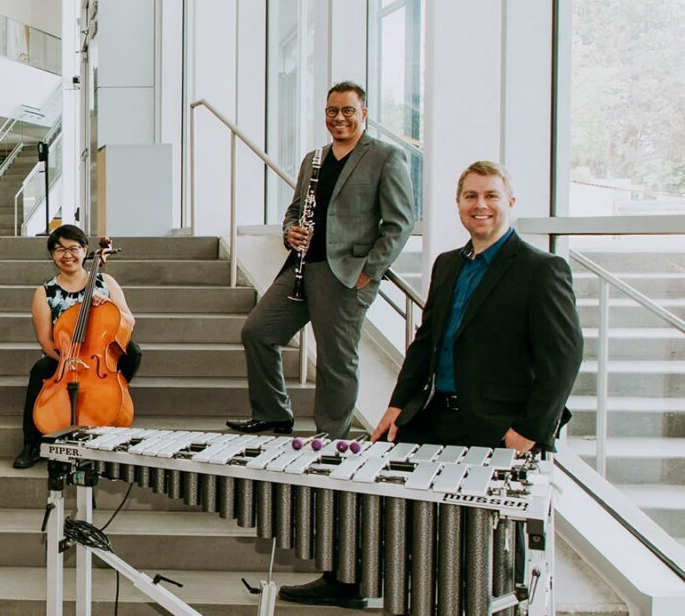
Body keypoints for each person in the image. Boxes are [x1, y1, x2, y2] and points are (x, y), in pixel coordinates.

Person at [277, 161, 582, 609]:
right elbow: (425, 342)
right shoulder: (447, 265)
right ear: (458, 204)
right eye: (471, 197)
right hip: (440, 411)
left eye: (491, 196)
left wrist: (530, 432)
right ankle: (351, 580)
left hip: (501, 427)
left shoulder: (540, 268)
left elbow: (565, 358)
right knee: (365, 473)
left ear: (510, 204)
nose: (481, 206)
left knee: (488, 535)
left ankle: (504, 599)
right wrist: (398, 405)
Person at [226, 81, 416, 439]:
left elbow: (399, 224)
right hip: (302, 268)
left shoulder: (385, 157)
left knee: (335, 360)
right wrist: (290, 232)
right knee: (258, 332)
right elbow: (295, 210)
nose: (339, 118)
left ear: (364, 114)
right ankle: (273, 414)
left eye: (348, 110)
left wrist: (369, 273)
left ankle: (331, 435)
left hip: (347, 273)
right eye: (332, 111)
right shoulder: (313, 159)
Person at [11, 225, 141, 469]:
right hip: (63, 357)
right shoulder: (45, 292)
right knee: (40, 368)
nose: (66, 255)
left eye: (73, 248)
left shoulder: (106, 282)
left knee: (133, 350)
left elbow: (129, 321)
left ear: (85, 251)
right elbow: (46, 341)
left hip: (99, 358)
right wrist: (66, 361)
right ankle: (32, 443)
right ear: (52, 255)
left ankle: (111, 396)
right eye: (59, 249)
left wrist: (109, 303)